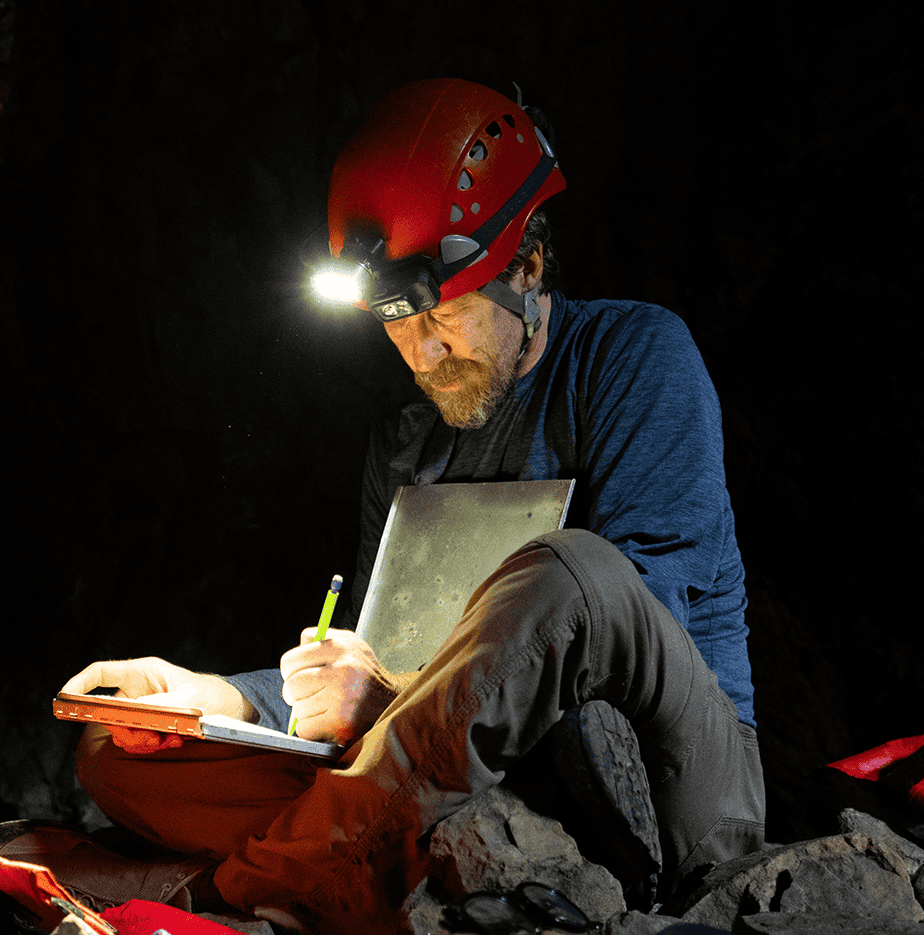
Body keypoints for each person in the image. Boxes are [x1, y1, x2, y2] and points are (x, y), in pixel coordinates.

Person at [1, 78, 765, 932]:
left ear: (529, 265)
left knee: (572, 571)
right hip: (451, 786)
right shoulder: (406, 440)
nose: (424, 353)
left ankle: (265, 883)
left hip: (662, 785)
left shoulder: (634, 356)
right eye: (397, 327)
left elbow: (632, 626)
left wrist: (395, 696)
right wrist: (218, 697)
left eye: (449, 318)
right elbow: (373, 678)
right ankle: (382, 865)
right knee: (121, 750)